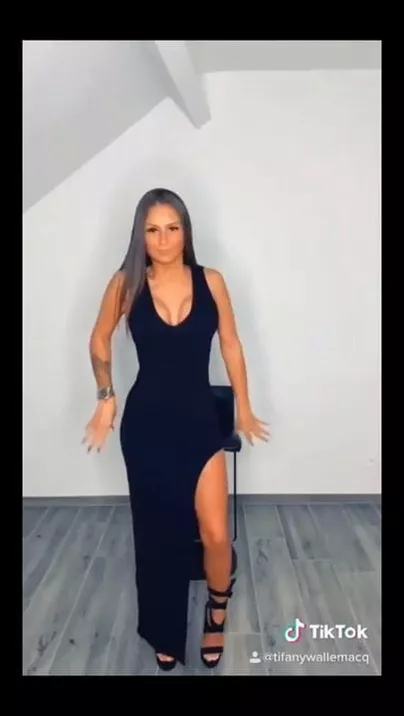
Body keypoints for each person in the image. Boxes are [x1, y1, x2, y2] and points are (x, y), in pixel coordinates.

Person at [82, 188, 269, 671]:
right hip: (146, 426)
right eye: (153, 230)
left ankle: (217, 608)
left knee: (215, 534)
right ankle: (164, 627)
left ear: (186, 230)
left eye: (172, 228)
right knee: (158, 534)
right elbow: (98, 339)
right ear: (140, 235)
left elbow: (231, 344)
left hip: (199, 422)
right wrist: (105, 396)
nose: (163, 240)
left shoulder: (212, 281)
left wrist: (244, 408)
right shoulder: (126, 284)